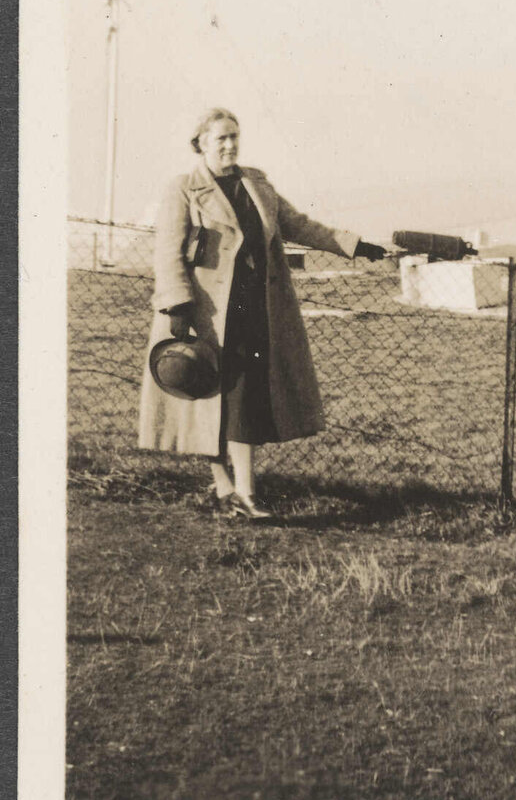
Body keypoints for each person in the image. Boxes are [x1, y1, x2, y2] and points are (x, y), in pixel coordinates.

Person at [138, 107, 388, 519]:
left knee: (243, 401)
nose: (230, 145)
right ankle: (227, 490)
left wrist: (357, 245)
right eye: (220, 138)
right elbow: (168, 253)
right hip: (204, 314)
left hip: (254, 311)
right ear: (200, 143)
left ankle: (246, 493)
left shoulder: (257, 184)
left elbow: (302, 226)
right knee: (204, 397)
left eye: (234, 136)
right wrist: (177, 305)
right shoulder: (183, 189)